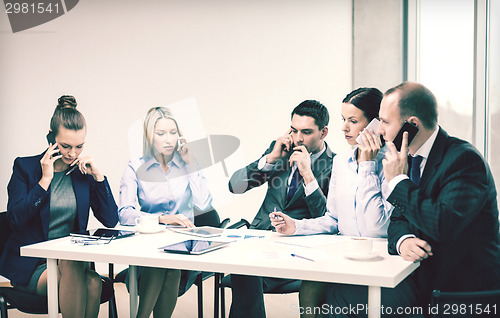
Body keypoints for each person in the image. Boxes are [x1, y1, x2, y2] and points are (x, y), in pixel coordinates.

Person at [327, 82, 500, 317]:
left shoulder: (464, 160)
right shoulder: (409, 157)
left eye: (385, 122)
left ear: (412, 124)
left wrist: (397, 180)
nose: (379, 130)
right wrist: (404, 240)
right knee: (340, 294)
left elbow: (441, 225)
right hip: (420, 278)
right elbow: (397, 221)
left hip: (459, 291)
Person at [269, 88, 392, 318]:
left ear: (376, 124)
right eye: (343, 120)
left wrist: (367, 165)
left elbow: (377, 229)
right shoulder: (341, 161)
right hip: (344, 256)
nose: (344, 127)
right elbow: (333, 219)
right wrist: (296, 226)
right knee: (310, 290)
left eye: (353, 121)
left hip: (378, 261)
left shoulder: (391, 161)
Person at [0, 95, 119, 318]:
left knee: (93, 281)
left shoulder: (83, 174)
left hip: (72, 264)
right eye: (65, 146)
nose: (72, 154)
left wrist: (99, 177)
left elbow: (111, 220)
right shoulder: (25, 168)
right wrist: (44, 182)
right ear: (51, 138)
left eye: (79, 146)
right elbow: (15, 220)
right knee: (85, 275)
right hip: (33, 265)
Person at [228, 100, 335, 318]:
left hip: (300, 247)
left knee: (246, 270)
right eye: (294, 130)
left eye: (306, 132)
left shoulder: (335, 164)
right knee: (243, 265)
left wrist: (308, 174)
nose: (298, 138)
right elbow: (234, 187)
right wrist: (270, 159)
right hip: (262, 240)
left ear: (323, 132)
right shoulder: (280, 152)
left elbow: (326, 218)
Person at [118, 106, 213, 318]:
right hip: (148, 245)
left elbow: (204, 203)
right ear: (149, 136)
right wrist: (161, 219)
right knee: (160, 261)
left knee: (169, 261)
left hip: (183, 246)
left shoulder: (186, 164)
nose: (169, 139)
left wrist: (191, 164)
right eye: (161, 134)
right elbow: (125, 214)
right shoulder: (135, 167)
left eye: (173, 132)